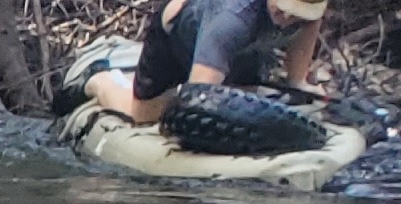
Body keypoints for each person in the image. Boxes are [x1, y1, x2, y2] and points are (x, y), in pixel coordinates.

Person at [84, 0, 328, 123]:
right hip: (179, 38)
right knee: (144, 115)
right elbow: (199, 101)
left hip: (244, 45)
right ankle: (103, 81)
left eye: (297, 11)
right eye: (283, 7)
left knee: (245, 93)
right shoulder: (231, 20)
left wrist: (297, 81)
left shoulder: (308, 10)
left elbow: (308, 24)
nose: (287, 16)